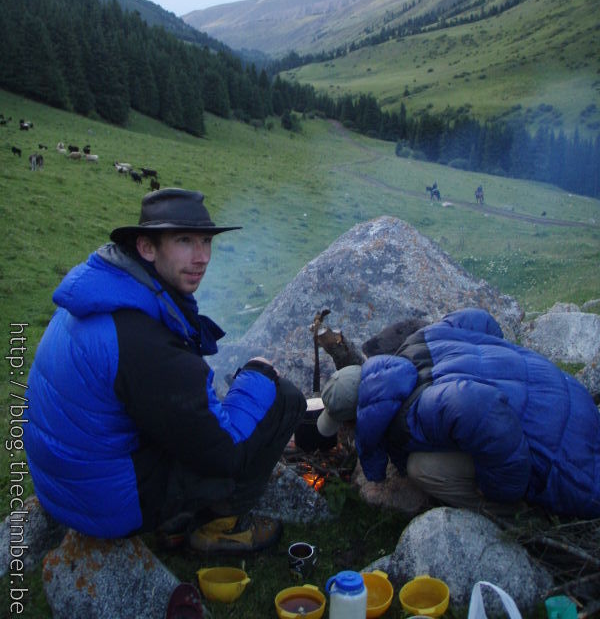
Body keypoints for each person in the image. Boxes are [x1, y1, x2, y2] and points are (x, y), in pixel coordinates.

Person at [24, 188, 307, 553]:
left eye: (206, 242)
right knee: (285, 398)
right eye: (185, 241)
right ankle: (221, 524)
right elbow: (224, 453)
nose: (202, 257)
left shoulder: (102, 291)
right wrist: (259, 373)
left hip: (65, 483)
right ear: (146, 247)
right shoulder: (141, 340)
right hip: (108, 504)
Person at [316, 308, 600, 519]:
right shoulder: (419, 342)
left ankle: (511, 514)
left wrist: (500, 489)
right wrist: (498, 367)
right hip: (565, 391)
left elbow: (484, 411)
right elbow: (481, 319)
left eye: (345, 425)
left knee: (420, 469)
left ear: (356, 419)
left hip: (562, 457)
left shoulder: (417, 411)